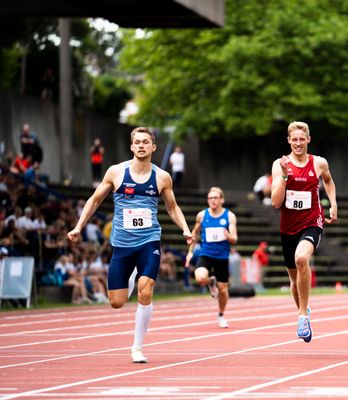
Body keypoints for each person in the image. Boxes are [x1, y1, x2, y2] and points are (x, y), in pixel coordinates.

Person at [67, 127, 194, 363]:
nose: (141, 145)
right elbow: (94, 201)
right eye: (137, 142)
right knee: (117, 302)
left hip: (149, 241)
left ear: (153, 147)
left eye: (146, 142)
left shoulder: (161, 177)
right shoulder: (116, 172)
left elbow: (172, 207)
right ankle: (132, 273)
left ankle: (137, 347)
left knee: (145, 290)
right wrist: (78, 226)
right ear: (131, 146)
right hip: (122, 245)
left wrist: (185, 229)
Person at [271, 121, 338, 343]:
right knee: (293, 280)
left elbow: (328, 181)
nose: (298, 143)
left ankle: (302, 317)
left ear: (308, 139)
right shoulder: (279, 165)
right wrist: (284, 176)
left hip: (312, 221)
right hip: (288, 226)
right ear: (288, 141)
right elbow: (275, 202)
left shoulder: (319, 163)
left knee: (302, 259)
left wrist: (333, 203)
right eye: (294, 139)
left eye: (302, 139)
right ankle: (304, 309)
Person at [185, 187, 237, 328]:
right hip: (206, 254)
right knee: (200, 277)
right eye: (210, 198)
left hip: (222, 256)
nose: (213, 200)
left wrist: (228, 236)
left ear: (221, 200)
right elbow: (194, 234)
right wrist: (190, 252)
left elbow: (234, 238)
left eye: (215, 198)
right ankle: (210, 282)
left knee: (223, 290)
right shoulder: (202, 216)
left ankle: (221, 315)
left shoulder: (229, 216)